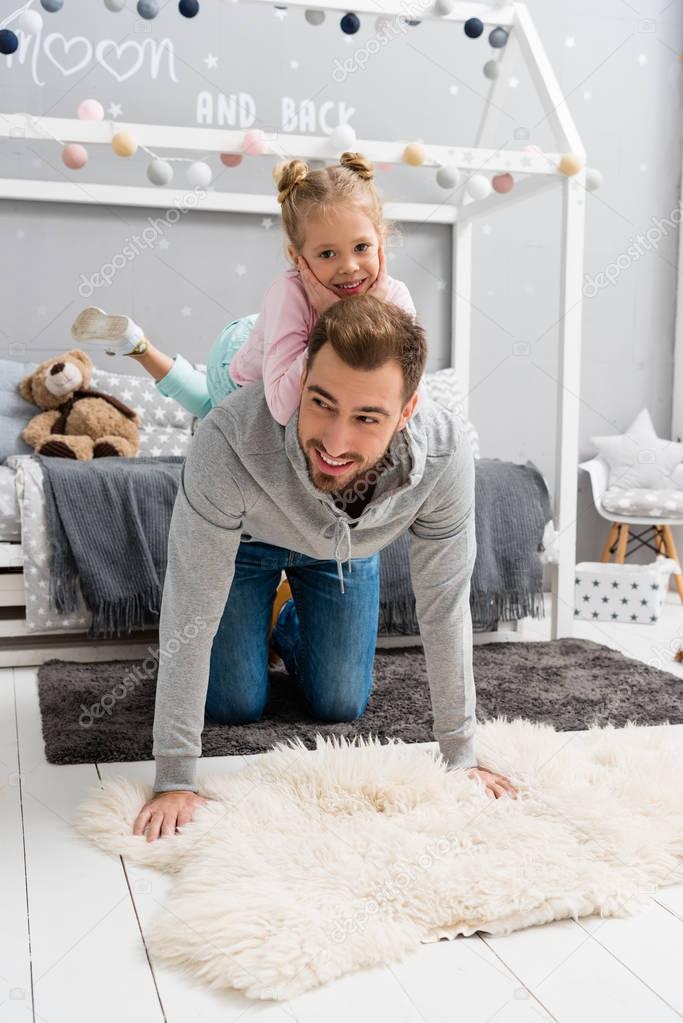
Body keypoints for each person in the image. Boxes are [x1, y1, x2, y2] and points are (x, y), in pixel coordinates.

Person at [131, 295, 518, 843]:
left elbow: (444, 607)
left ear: (407, 412)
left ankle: (288, 617)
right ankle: (257, 615)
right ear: (302, 377)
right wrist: (174, 776)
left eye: (367, 418)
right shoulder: (227, 438)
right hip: (246, 544)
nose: (335, 442)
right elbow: (190, 604)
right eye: (322, 403)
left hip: (346, 550)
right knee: (234, 703)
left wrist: (461, 756)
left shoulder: (445, 453)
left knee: (339, 703)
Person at [70, 151, 423, 428]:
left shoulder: (395, 298)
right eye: (327, 253)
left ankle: (133, 342)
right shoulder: (289, 293)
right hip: (237, 361)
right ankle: (139, 349)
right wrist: (334, 320)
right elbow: (283, 411)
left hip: (272, 335)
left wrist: (368, 315)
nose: (348, 266)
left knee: (203, 405)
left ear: (381, 241)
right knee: (213, 409)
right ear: (297, 259)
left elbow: (407, 389)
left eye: (361, 247)